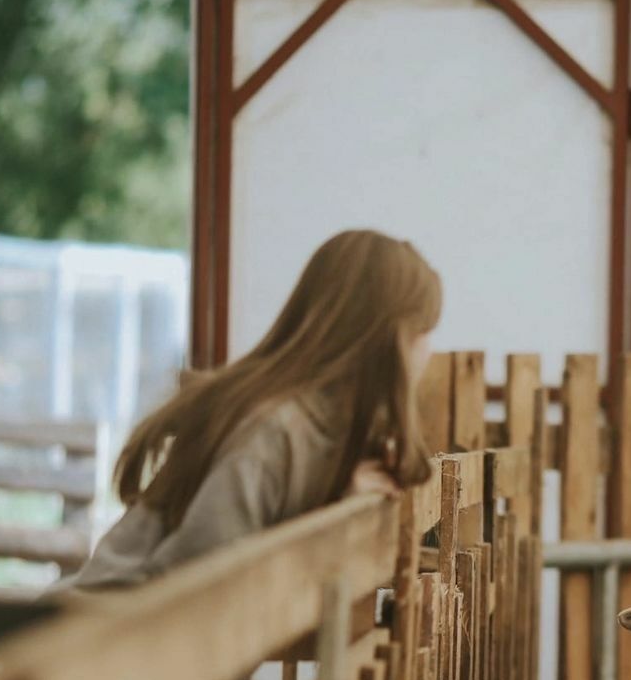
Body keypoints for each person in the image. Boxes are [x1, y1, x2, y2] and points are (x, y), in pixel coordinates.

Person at [59, 228, 440, 593]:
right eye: (422, 330)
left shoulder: (331, 432)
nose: (428, 351)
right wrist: (330, 532)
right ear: (386, 339)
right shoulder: (272, 431)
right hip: (81, 644)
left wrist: (341, 508)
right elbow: (197, 586)